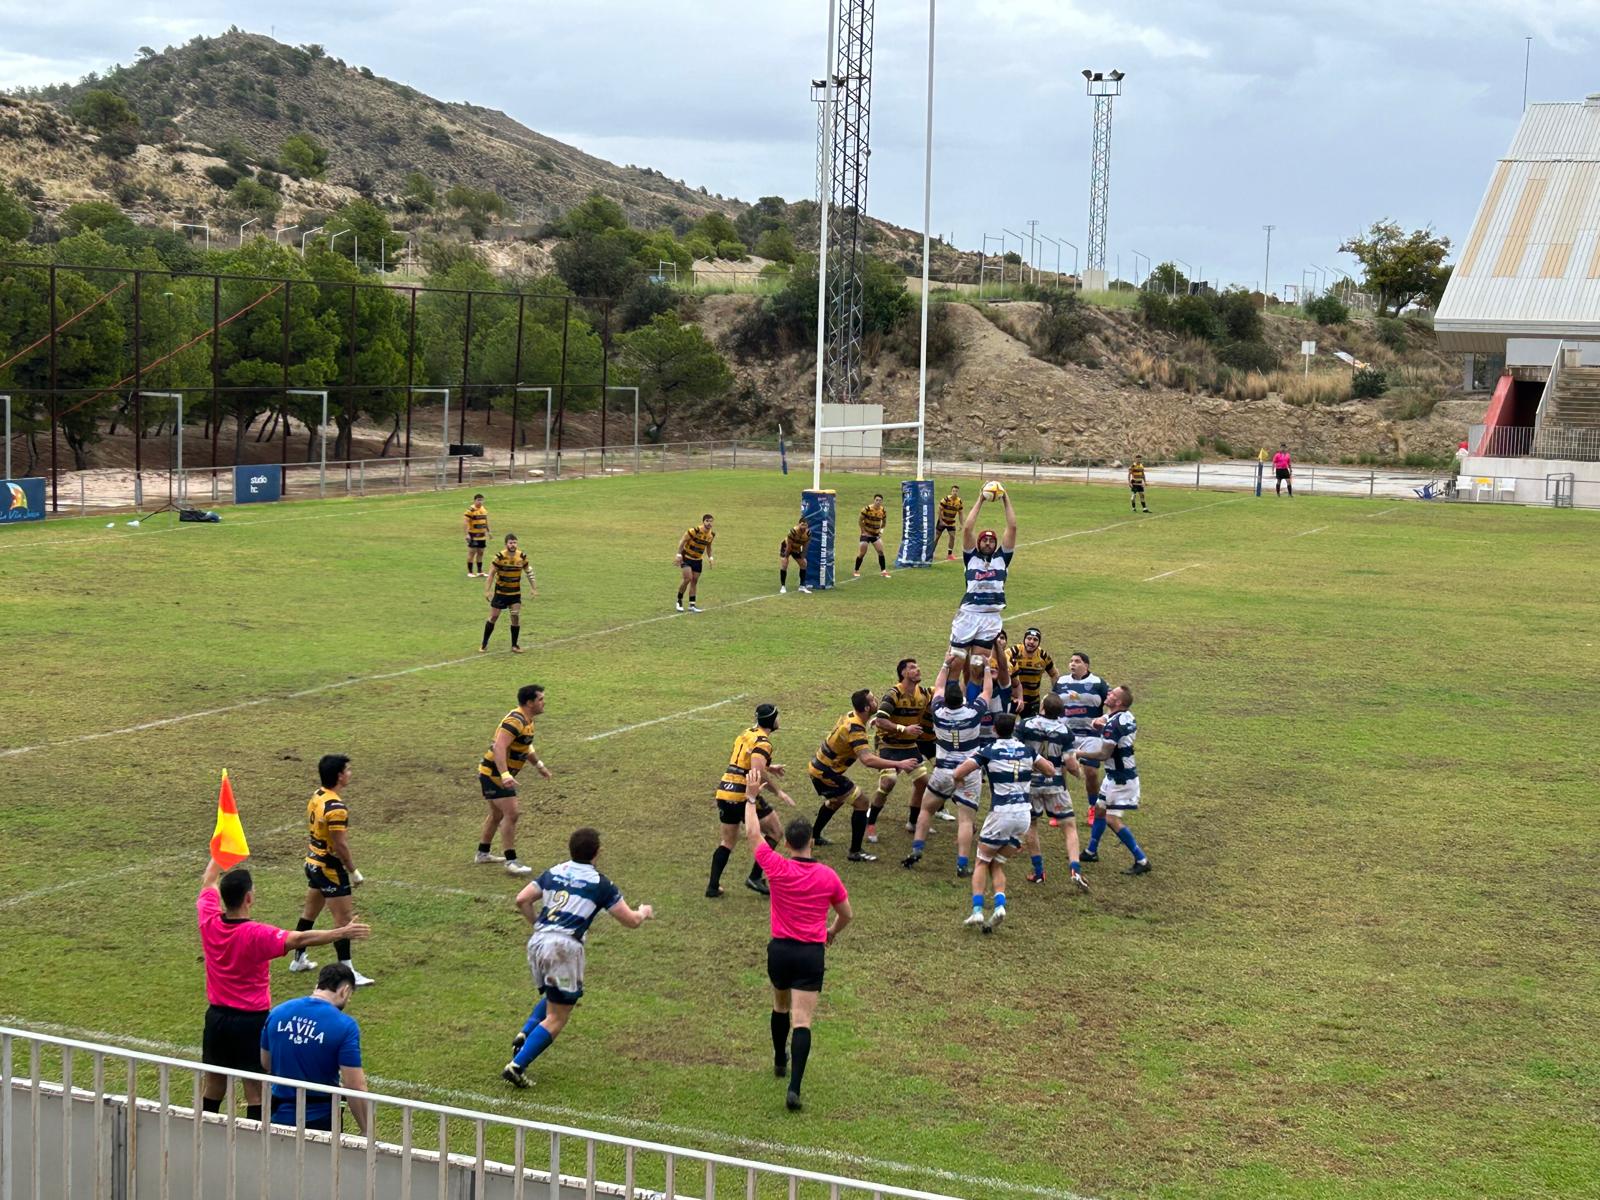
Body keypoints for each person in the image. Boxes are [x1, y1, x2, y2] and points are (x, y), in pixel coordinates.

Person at [197, 858, 369, 1122]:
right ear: (249, 898)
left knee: (214, 1084)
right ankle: (254, 1141)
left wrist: (219, 851)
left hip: (216, 1018)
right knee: (255, 1089)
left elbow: (209, 880)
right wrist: (341, 932)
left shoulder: (209, 921)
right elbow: (300, 938)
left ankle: (202, 1133)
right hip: (250, 1020)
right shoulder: (256, 934)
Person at [502, 828, 654, 1088]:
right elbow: (629, 921)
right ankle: (517, 1066)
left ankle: (525, 1034)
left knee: (554, 997)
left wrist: (538, 924)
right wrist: (642, 912)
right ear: (597, 852)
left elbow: (522, 899)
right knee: (559, 1015)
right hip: (564, 948)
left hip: (538, 943)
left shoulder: (555, 871)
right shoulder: (600, 884)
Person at [742, 800, 851, 1112]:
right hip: (810, 954)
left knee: (779, 1005)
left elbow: (752, 833)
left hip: (780, 950)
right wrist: (831, 932)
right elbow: (847, 915)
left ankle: (779, 1059)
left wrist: (751, 799)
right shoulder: (828, 876)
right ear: (812, 842)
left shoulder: (776, 866)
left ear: (787, 843)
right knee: (802, 1020)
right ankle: (794, 1088)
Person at [949, 712, 1055, 931]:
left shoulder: (988, 751)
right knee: (997, 863)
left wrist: (959, 782)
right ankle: (999, 906)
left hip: (1001, 814)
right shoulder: (1027, 750)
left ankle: (977, 911)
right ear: (1014, 729)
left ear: (995, 730)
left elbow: (959, 771)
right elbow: (1050, 770)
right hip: (1023, 816)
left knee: (981, 861)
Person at [290, 755, 374, 986]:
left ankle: (299, 959)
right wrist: (353, 871)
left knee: (309, 913)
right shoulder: (336, 807)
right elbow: (340, 844)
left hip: (313, 861)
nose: (350, 773)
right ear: (339, 775)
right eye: (348, 770)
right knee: (344, 921)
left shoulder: (318, 795)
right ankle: (348, 973)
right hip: (329, 867)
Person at [808, 689, 919, 863]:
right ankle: (855, 852)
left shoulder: (853, 716)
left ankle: (814, 836)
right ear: (867, 707)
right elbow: (867, 760)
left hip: (819, 766)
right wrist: (899, 764)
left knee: (836, 801)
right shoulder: (856, 728)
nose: (876, 701)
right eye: (873, 700)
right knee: (862, 802)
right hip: (826, 773)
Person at [904, 651, 989, 874]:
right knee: (965, 821)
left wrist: (945, 664)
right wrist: (987, 668)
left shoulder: (938, 712)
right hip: (968, 772)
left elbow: (938, 687)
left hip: (942, 771)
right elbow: (987, 691)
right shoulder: (973, 712)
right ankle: (962, 864)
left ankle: (917, 849)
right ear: (962, 699)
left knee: (926, 810)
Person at [260, 963, 368, 1133]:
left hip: (278, 1114)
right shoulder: (345, 1026)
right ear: (344, 991)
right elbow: (355, 1085)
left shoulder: (278, 1012)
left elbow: (266, 1063)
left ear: (317, 985)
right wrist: (367, 1129)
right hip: (320, 1120)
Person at [708, 704, 794, 898]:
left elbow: (747, 759)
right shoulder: (764, 743)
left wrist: (770, 767)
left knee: (728, 841)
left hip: (724, 791)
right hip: (742, 794)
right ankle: (755, 877)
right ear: (772, 721)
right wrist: (779, 792)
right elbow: (756, 773)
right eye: (777, 717)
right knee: (775, 832)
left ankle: (712, 886)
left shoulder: (747, 733)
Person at [475, 684, 551, 876]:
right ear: (529, 702)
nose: (544, 702)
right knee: (512, 813)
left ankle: (482, 854)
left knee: (497, 815)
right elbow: (499, 747)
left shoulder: (527, 720)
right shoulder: (515, 721)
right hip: (493, 774)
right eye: (540, 699)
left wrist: (539, 766)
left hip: (495, 774)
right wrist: (505, 774)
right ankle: (511, 861)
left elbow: (526, 747)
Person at [1017, 694, 1089, 893]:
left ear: (1042, 707)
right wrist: (1079, 774)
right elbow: (1071, 763)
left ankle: (1039, 872)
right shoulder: (1065, 731)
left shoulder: (1026, 725)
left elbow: (1017, 750)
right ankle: (1075, 870)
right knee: (1069, 826)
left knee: (1031, 825)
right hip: (1056, 784)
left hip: (1030, 784)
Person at [1077, 685, 1150, 874]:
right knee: (1100, 810)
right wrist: (1100, 723)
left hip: (1120, 779)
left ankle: (1141, 860)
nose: (1108, 695)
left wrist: (1078, 753)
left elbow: (1103, 754)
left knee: (1111, 819)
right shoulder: (1126, 716)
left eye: (1112, 694)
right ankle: (1091, 851)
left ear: (1118, 702)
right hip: (1117, 775)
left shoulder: (1113, 725)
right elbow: (1107, 721)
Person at [949, 488, 1017, 692]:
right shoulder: (972, 557)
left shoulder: (1002, 559)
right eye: (985, 540)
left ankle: (970, 705)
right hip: (969, 614)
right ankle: (948, 704)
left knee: (978, 666)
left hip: (991, 617)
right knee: (956, 662)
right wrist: (980, 499)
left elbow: (1012, 527)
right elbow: (967, 529)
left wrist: (1005, 499)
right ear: (979, 543)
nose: (988, 542)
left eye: (991, 540)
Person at [865, 658, 930, 844]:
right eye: (912, 668)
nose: (917, 670)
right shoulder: (893, 694)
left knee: (922, 782)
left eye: (917, 666)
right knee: (888, 782)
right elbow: (880, 720)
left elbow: (942, 691)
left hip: (909, 747)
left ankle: (912, 822)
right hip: (889, 745)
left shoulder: (923, 694)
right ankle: (870, 824)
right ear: (903, 673)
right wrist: (904, 729)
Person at [1054, 652, 1109, 832]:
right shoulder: (1061, 682)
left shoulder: (1098, 683)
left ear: (1086, 665)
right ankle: (1059, 808)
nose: (1072, 664)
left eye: (1077, 661)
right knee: (1059, 771)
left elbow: (1113, 704)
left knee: (1092, 772)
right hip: (1066, 734)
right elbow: (1051, 702)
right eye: (1071, 661)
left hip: (1090, 734)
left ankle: (1093, 807)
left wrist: (1105, 718)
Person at [481, 533, 536, 654]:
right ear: (506, 544)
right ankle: (484, 643)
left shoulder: (521, 556)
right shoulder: (499, 557)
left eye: (515, 542)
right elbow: (491, 574)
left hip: (515, 593)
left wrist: (533, 588)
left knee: (515, 616)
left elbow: (529, 572)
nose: (513, 545)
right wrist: (487, 590)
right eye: (511, 543)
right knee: (494, 617)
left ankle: (515, 645)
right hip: (501, 592)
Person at [1008, 627, 1057, 718]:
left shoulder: (1043, 656)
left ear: (1039, 643)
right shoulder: (1013, 652)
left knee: (1031, 729)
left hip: (1032, 701)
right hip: (1012, 699)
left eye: (1035, 639)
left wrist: (1055, 692)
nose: (1031, 642)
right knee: (1006, 728)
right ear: (1024, 640)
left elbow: (1054, 674)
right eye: (1029, 638)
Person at [676, 514, 715, 612]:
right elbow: (682, 541)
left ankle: (691, 605)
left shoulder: (711, 535)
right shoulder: (694, 531)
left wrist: (710, 557)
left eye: (711, 521)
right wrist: (679, 555)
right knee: (688, 579)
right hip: (687, 557)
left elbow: (708, 547)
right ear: (703, 521)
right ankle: (679, 600)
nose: (709, 523)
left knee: (694, 581)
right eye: (707, 521)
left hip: (698, 560)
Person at [853, 493, 890, 579]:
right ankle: (856, 570)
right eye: (876, 500)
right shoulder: (867, 509)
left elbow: (884, 522)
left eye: (880, 500)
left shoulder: (883, 510)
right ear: (874, 500)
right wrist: (863, 531)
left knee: (880, 551)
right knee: (862, 553)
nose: (878, 502)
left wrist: (881, 531)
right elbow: (860, 520)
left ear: (882, 502)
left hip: (875, 534)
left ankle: (883, 571)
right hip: (866, 534)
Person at [778, 518, 812, 595]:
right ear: (798, 524)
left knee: (803, 564)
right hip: (786, 546)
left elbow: (806, 546)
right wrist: (786, 556)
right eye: (802, 525)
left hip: (796, 548)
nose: (803, 527)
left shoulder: (808, 533)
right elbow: (789, 546)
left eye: (805, 525)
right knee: (784, 563)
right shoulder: (793, 532)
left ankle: (802, 586)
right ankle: (783, 586)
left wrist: (802, 556)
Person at [463, 493, 490, 578]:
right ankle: (470, 572)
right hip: (473, 535)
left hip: (482, 535)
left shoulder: (483, 509)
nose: (480, 502)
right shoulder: (470, 510)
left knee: (481, 553)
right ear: (474, 500)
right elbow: (466, 522)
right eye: (478, 500)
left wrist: (489, 531)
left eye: (481, 500)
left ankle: (479, 571)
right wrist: (467, 534)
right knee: (472, 553)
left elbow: (485, 520)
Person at [935, 486, 964, 561]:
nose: (955, 492)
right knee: (936, 537)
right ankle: (931, 553)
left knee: (952, 536)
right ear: (951, 492)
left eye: (956, 491)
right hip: (943, 521)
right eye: (953, 491)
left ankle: (949, 554)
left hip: (951, 522)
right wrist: (941, 521)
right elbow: (939, 510)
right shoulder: (946, 499)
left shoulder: (959, 501)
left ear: (958, 492)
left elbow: (960, 513)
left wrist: (961, 524)